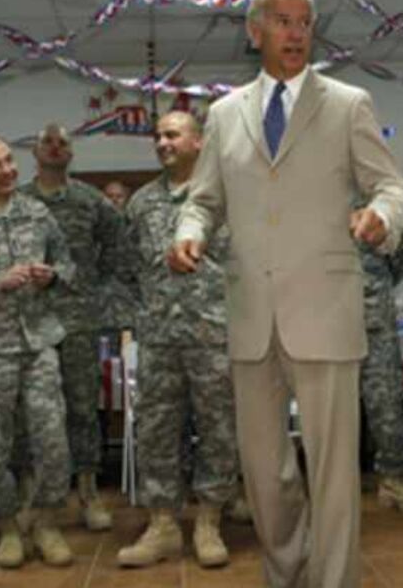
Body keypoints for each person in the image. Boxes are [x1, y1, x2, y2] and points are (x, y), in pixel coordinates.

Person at [168, 0, 403, 588]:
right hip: (251, 314)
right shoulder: (223, 115)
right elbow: (202, 200)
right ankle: (287, 572)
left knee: (332, 473)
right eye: (281, 21)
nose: (296, 32)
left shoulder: (347, 104)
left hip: (326, 309)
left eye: (304, 22)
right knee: (265, 472)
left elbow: (392, 186)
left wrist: (381, 216)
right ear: (255, 33)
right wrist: (187, 231)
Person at [117, 111, 239, 569]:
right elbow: (130, 267)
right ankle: (163, 525)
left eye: (172, 134)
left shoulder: (225, 198)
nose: (163, 142)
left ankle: (209, 520)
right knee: (156, 430)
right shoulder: (142, 203)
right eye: (158, 136)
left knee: (218, 428)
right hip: (159, 339)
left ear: (198, 142)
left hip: (213, 335)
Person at [0, 135, 76, 570]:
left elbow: (69, 264)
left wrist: (53, 276)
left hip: (38, 343)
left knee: (52, 438)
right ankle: (7, 527)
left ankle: (45, 522)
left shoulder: (37, 213)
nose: (7, 170)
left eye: (9, 161)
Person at [19, 124, 126, 532]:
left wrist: (98, 293)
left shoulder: (90, 202)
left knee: (82, 407)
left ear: (71, 153)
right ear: (35, 150)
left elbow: (118, 251)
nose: (55, 148)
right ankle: (33, 495)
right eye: (47, 141)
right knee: (31, 411)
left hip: (78, 320)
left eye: (63, 142)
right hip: (28, 321)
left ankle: (87, 490)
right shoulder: (19, 201)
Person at [357, 205, 403, 514]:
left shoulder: (379, 197)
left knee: (386, 401)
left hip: (375, 317)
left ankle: (393, 481)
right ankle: (333, 486)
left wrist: (379, 278)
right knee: (329, 409)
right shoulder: (314, 189)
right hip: (327, 319)